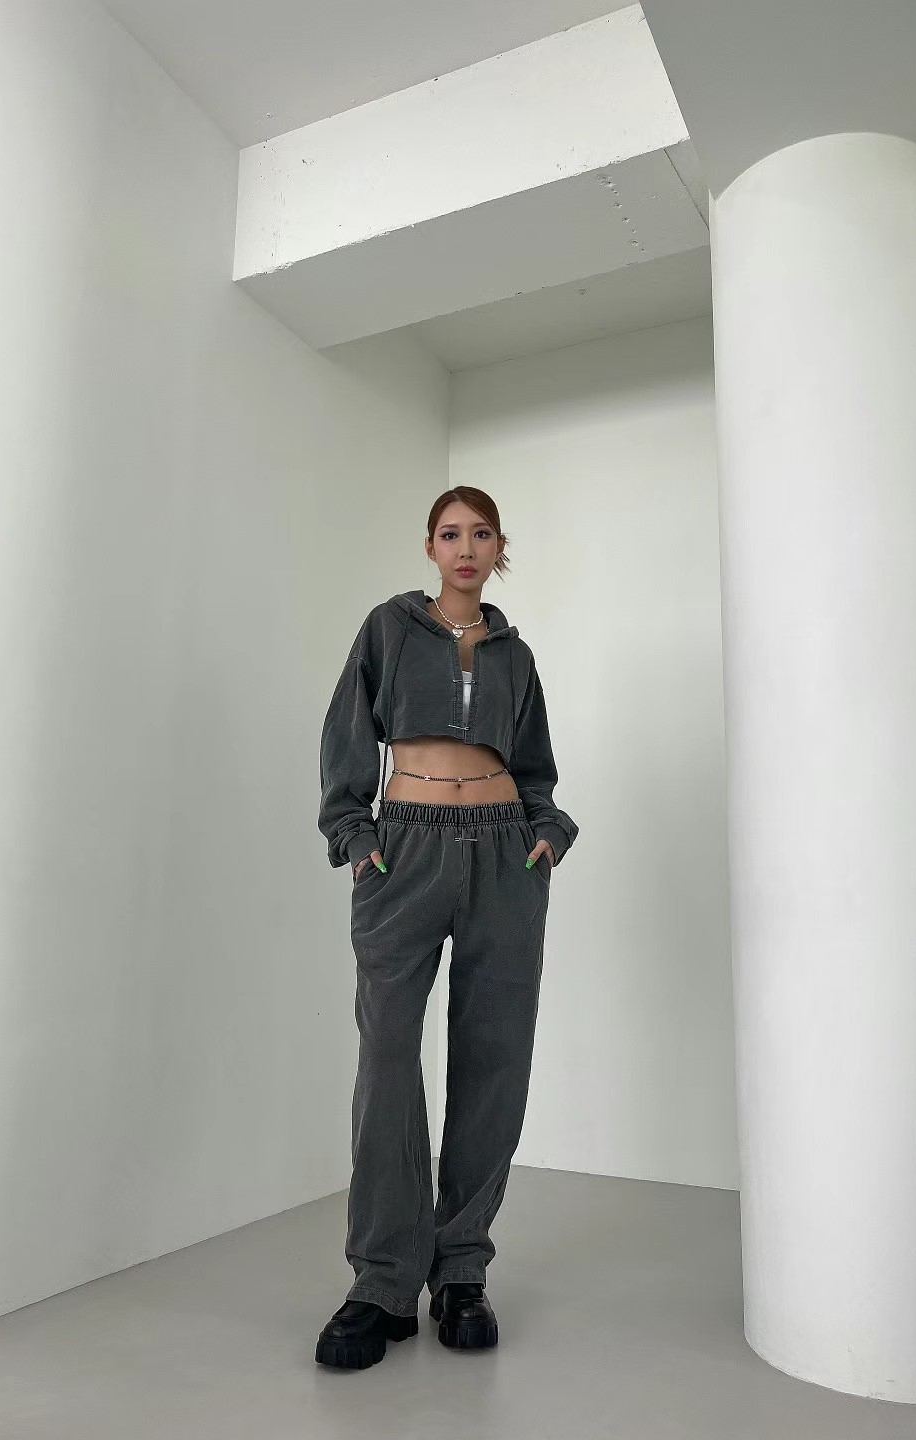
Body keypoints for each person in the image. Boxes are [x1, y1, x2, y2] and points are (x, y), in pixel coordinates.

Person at [315, 486, 579, 1369]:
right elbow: (347, 737)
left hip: (506, 855)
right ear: (430, 546)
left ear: (500, 547)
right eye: (450, 534)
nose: (466, 547)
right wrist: (356, 836)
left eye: (481, 534)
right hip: (405, 853)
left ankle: (461, 1270)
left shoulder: (516, 655)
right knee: (388, 1058)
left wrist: (545, 832)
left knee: (494, 1058)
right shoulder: (389, 630)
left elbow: (534, 765)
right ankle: (381, 1282)